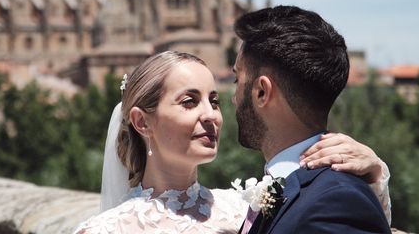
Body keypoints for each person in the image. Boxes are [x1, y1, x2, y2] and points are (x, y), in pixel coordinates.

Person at [74, 49, 390, 234]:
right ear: (142, 122)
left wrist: (373, 172)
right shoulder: (107, 229)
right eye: (189, 102)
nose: (210, 115)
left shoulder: (246, 207)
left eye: (214, 101)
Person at [233, 6, 391, 233]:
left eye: (236, 79)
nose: (233, 98)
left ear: (262, 92)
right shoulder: (306, 190)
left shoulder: (336, 204)